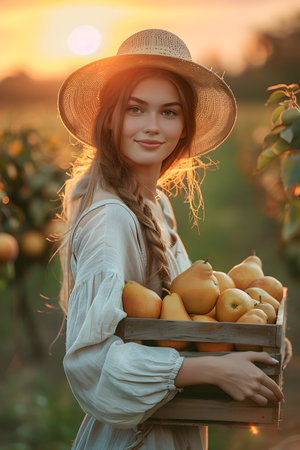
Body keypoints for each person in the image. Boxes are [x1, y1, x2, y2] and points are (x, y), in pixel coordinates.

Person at [56, 29, 292, 449]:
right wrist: (213, 371)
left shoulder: (155, 203)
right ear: (110, 117)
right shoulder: (110, 220)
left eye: (169, 112)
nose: (152, 126)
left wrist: (251, 340)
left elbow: (177, 318)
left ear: (184, 127)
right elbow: (91, 362)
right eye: (135, 109)